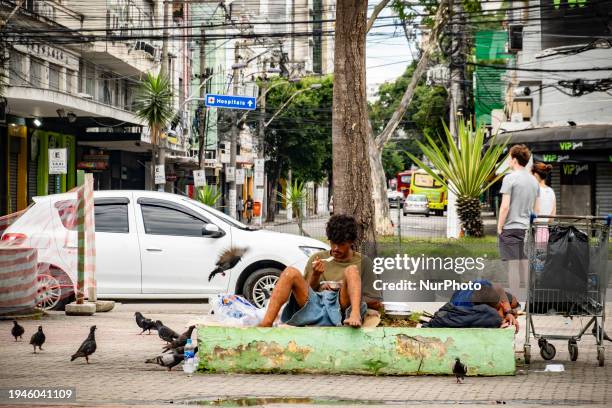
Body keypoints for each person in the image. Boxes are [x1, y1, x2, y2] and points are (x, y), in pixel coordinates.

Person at [259, 214, 382, 327]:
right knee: (289, 272)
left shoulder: (363, 262)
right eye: (333, 243)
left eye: (341, 244)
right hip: (314, 306)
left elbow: (375, 302)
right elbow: (304, 294)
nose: (335, 248)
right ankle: (266, 323)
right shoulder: (318, 258)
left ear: (351, 242)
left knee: (351, 270)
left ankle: (355, 315)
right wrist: (315, 276)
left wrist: (343, 288)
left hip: (341, 308)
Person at [497, 144, 539, 300]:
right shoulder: (534, 181)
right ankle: (529, 300)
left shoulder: (509, 178)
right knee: (526, 266)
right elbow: (537, 210)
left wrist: (500, 227)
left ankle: (514, 302)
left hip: (511, 229)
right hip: (527, 229)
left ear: (514, 159)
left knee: (513, 267)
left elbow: (505, 206)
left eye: (509, 157)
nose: (508, 160)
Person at [449, 279, 520, 332]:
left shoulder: (484, 287)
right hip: (466, 301)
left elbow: (498, 287)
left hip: (478, 292)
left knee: (513, 301)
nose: (503, 305)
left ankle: (513, 307)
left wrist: (508, 312)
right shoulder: (467, 311)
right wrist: (498, 323)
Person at [532, 162, 556, 247]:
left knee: (532, 256)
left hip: (533, 229)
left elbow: (536, 210)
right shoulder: (551, 191)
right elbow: (552, 216)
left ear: (535, 175)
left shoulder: (534, 189)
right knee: (542, 256)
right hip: (545, 230)